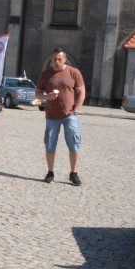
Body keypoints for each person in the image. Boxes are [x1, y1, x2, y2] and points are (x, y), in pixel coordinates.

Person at [36, 47, 85, 186]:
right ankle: (50, 172)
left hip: (69, 115)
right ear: (51, 59)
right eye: (54, 59)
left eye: (59, 59)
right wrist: (46, 96)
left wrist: (76, 109)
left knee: (74, 144)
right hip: (52, 115)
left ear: (65, 59)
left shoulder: (74, 72)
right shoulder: (46, 74)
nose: (56, 62)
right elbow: (37, 94)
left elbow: (81, 92)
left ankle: (73, 173)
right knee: (50, 144)